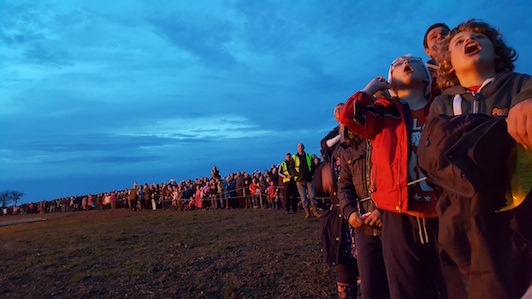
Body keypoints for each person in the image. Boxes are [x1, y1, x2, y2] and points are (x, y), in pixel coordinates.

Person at [418, 19, 532, 299]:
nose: (469, 40)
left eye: (479, 37)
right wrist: (504, 128)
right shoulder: (442, 105)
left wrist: (527, 103)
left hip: (519, 217)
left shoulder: (521, 85)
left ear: (496, 52)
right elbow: (434, 156)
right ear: (449, 64)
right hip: (463, 222)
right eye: (458, 42)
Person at [338, 54, 450, 299]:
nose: (405, 61)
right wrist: (371, 89)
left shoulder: (444, 108)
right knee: (405, 289)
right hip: (400, 217)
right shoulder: (383, 116)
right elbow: (347, 116)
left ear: (426, 78)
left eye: (413, 61)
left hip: (444, 212)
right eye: (397, 63)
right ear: (391, 83)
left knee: (452, 286)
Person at [290, 143, 320, 219]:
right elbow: (291, 168)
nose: (301, 148)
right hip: (299, 180)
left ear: (304, 147)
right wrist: (297, 175)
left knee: (312, 195)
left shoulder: (309, 156)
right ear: (297, 148)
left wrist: (311, 174)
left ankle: (315, 212)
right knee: (303, 198)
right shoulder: (294, 157)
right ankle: (307, 213)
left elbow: (313, 167)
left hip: (308, 179)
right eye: (299, 146)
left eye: (302, 146)